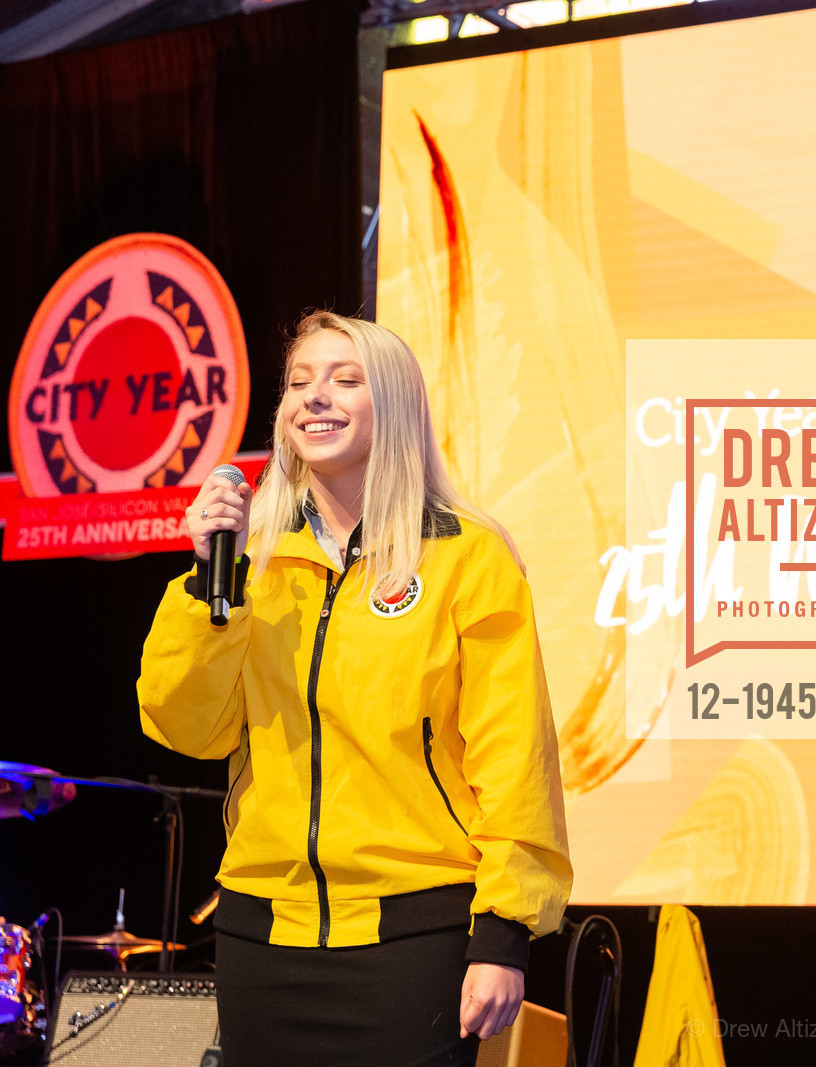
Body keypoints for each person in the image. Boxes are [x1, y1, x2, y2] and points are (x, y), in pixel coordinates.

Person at [137, 311, 572, 1067]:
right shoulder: (254, 564)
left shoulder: (468, 557)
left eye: (345, 379)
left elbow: (515, 758)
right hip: (263, 936)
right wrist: (217, 577)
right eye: (299, 383)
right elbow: (185, 727)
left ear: (397, 405)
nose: (315, 397)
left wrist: (504, 933)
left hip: (415, 941)